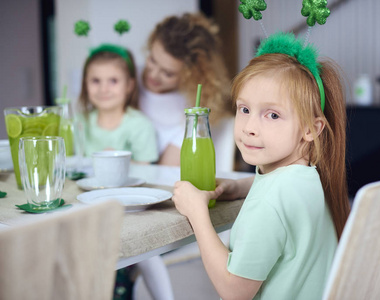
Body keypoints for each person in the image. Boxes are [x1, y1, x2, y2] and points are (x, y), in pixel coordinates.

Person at [171, 32, 351, 299]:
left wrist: (197, 213)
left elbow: (234, 290)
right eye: (244, 110)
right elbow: (279, 192)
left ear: (311, 129)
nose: (250, 128)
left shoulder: (268, 204)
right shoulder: (309, 176)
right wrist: (242, 186)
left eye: (273, 115)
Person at [139, 12, 233, 166]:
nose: (153, 75)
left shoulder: (191, 108)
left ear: (191, 74)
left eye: (168, 73)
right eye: (152, 60)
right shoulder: (126, 79)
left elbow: (166, 174)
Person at [78, 43, 158, 164]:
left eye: (113, 81)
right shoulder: (77, 122)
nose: (103, 89)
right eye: (96, 81)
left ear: (129, 85)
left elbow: (146, 169)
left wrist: (119, 161)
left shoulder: (141, 126)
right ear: (85, 84)